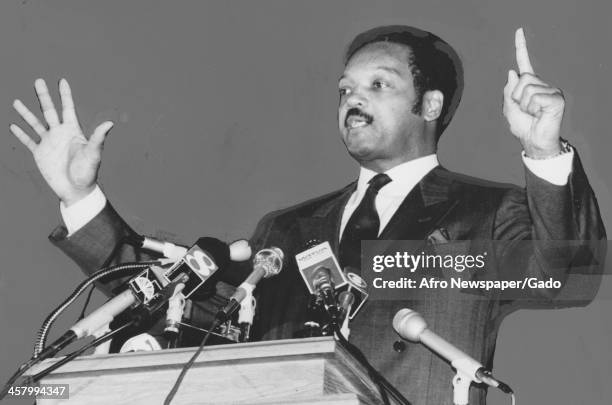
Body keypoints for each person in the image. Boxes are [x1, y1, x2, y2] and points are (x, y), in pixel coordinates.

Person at [9, 25, 605, 404]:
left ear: (430, 103)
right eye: (345, 89)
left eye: (378, 83)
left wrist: (544, 152)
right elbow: (175, 301)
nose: (352, 100)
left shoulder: (487, 211)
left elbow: (570, 273)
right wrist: (81, 198)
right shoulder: (287, 230)